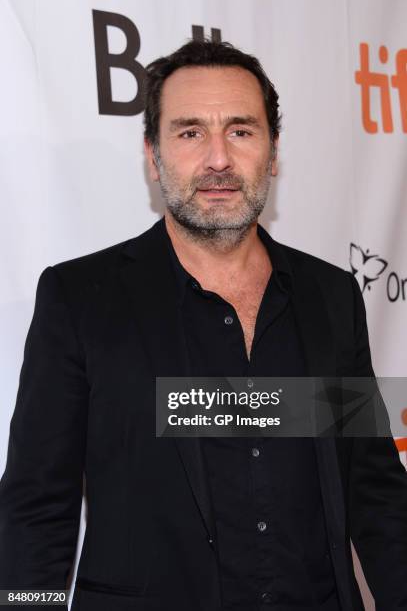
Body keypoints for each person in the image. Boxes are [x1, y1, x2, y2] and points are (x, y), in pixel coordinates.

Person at [0, 39, 406, 611]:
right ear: (153, 154)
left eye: (240, 131)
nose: (218, 159)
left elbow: (375, 495)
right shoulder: (80, 299)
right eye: (190, 132)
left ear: (273, 150)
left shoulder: (331, 295)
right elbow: (37, 509)